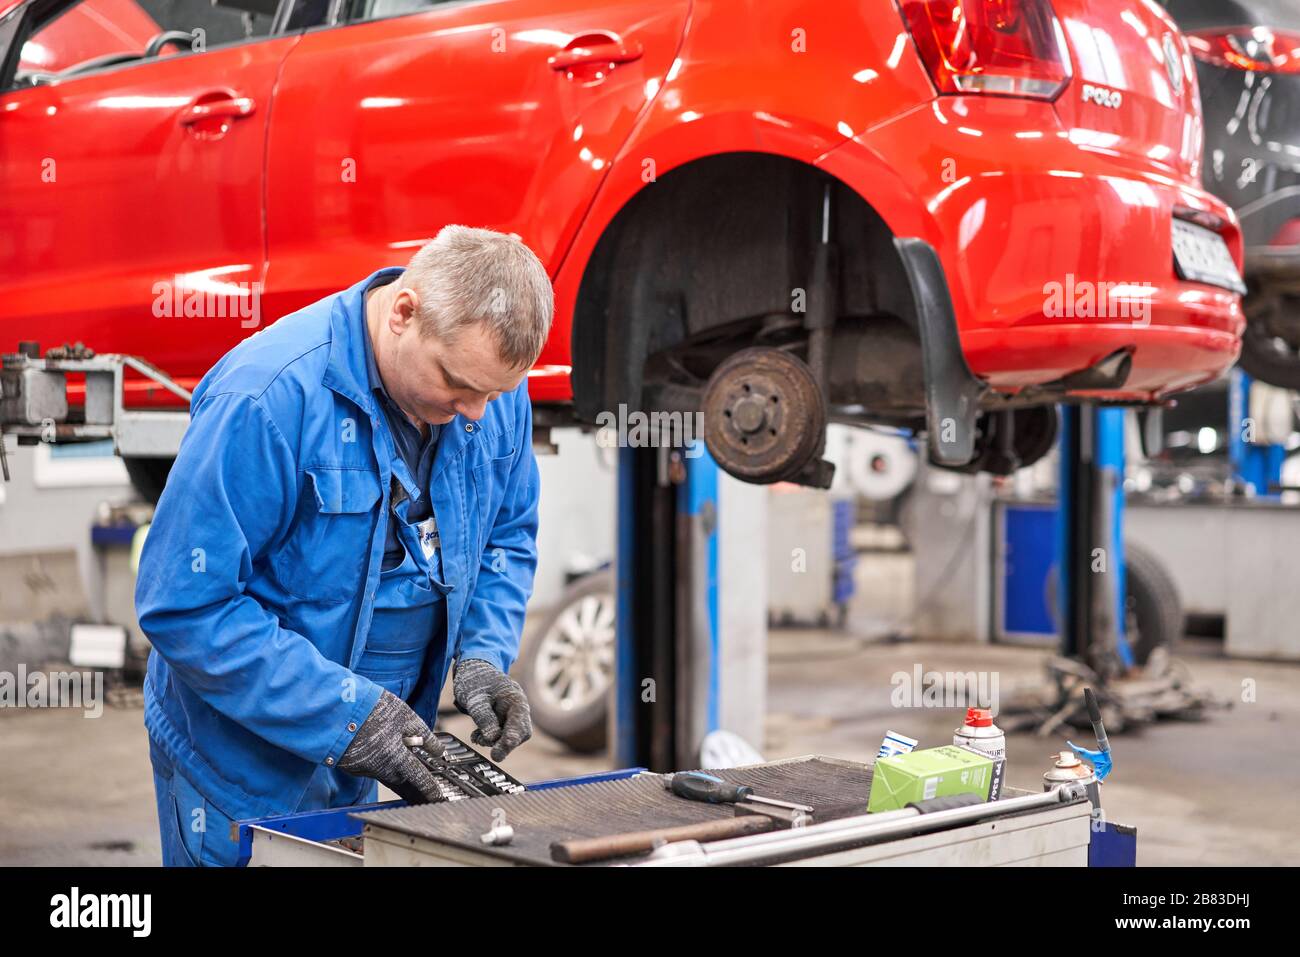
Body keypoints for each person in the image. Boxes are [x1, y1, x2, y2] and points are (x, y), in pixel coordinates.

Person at [136, 226, 553, 866]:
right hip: (240, 762)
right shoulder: (268, 397)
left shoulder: (489, 387)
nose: (476, 412)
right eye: (457, 383)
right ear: (404, 312)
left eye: (492, 393)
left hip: (368, 748)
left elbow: (506, 532)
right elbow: (186, 606)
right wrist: (352, 716)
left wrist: (482, 654)